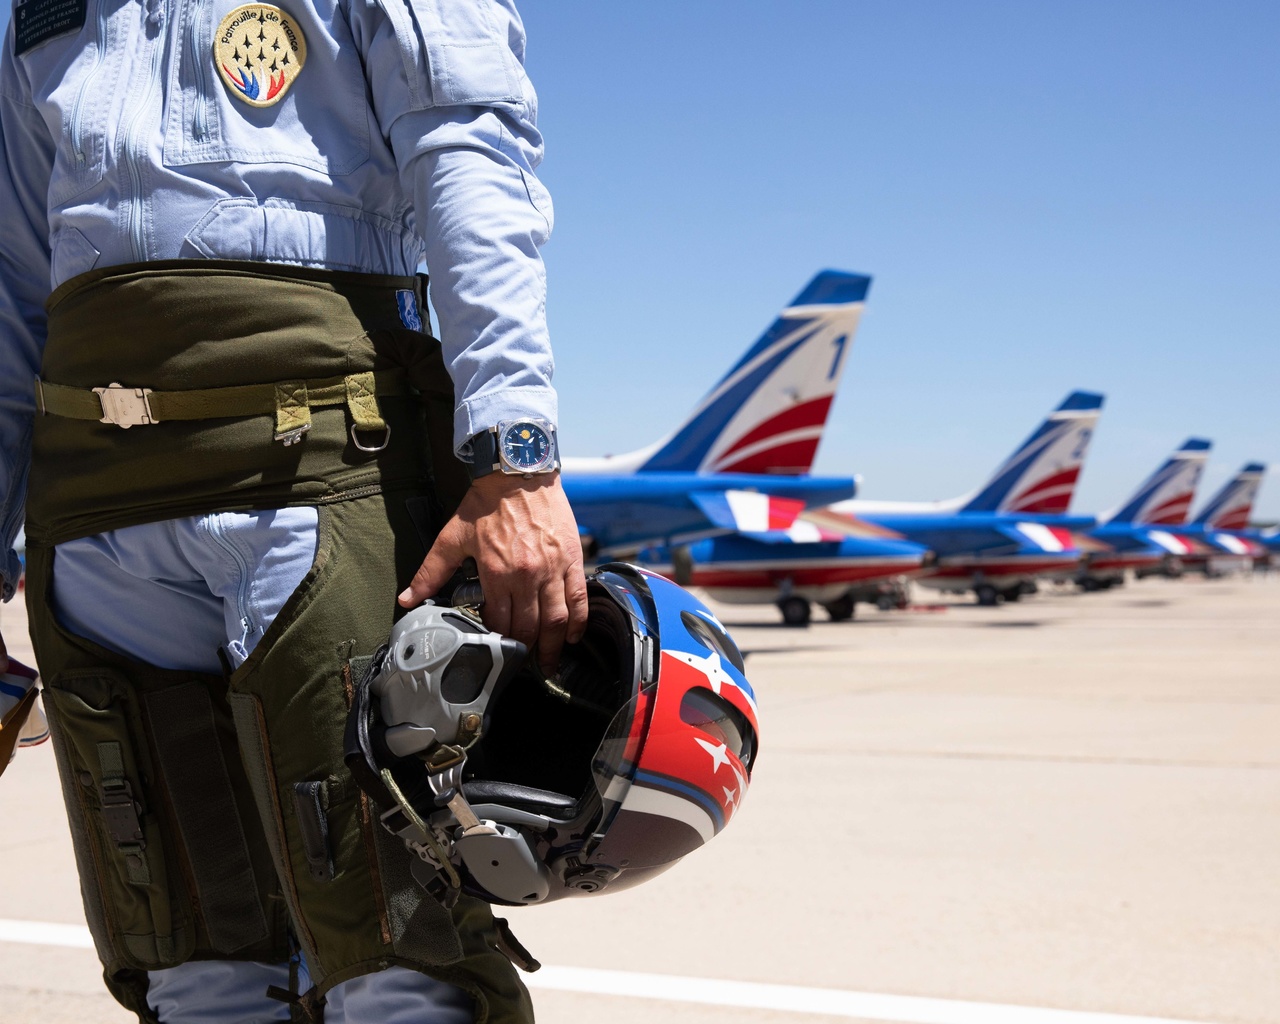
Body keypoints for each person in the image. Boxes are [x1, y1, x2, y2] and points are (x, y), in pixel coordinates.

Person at [0, 0, 584, 1020]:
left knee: (399, 945)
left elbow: (471, 156)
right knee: (191, 954)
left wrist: (516, 455)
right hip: (92, 510)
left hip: (319, 472)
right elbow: (11, 286)